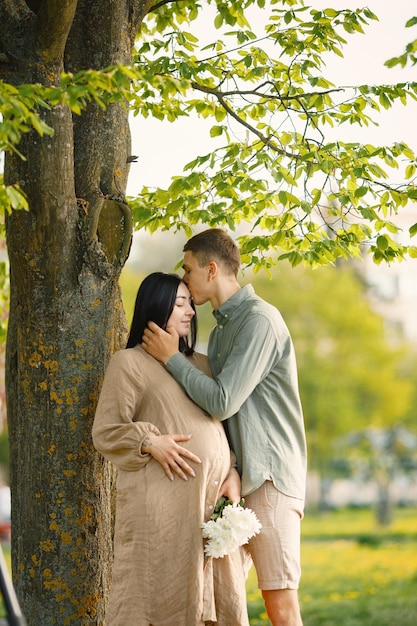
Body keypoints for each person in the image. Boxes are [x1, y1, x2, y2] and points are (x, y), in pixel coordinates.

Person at [142, 229, 307, 626]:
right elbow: (225, 419)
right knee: (221, 603)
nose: (184, 280)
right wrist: (231, 468)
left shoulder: (260, 321)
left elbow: (222, 400)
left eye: (188, 270)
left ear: (211, 269)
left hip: (270, 481)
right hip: (239, 482)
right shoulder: (219, 333)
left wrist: (171, 359)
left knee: (280, 605)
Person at [92, 272, 249, 626]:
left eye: (190, 302)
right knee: (157, 599)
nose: (190, 310)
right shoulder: (128, 363)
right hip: (162, 511)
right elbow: (105, 430)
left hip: (210, 510)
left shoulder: (201, 364)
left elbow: (222, 428)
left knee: (217, 601)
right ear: (156, 306)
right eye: (179, 303)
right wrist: (149, 441)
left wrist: (233, 471)